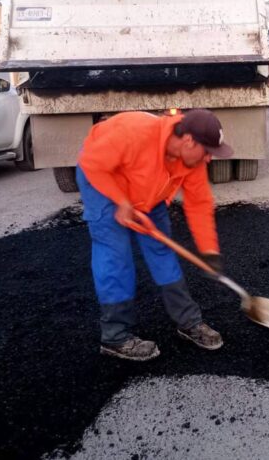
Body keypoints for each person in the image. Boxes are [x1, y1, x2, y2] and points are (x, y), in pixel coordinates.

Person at [76, 109, 230, 361]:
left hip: (149, 187)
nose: (209, 159)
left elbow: (199, 203)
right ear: (189, 141)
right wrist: (121, 201)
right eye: (208, 152)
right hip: (102, 179)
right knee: (116, 254)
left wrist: (209, 250)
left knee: (161, 248)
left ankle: (189, 321)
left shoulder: (190, 160)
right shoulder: (133, 132)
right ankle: (115, 337)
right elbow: (92, 163)